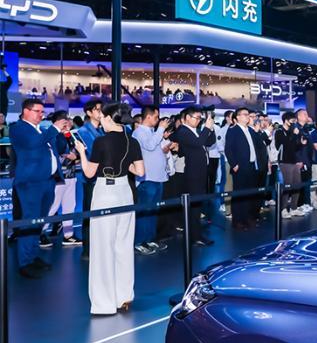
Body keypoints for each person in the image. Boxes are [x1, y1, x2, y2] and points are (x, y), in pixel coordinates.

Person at [74, 103, 144, 315]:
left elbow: (89, 173)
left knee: (103, 248)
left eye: (102, 117)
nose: (100, 120)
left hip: (105, 193)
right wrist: (124, 164)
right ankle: (124, 296)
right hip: (125, 192)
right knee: (123, 246)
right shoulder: (132, 141)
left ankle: (104, 303)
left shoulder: (101, 141)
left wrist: (81, 153)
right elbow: (140, 171)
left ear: (109, 118)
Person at [10, 100, 68, 278]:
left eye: (42, 112)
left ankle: (32, 255)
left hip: (47, 182)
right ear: (26, 111)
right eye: (37, 111)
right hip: (30, 184)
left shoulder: (41, 130)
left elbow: (58, 148)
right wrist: (54, 129)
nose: (41, 115)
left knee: (39, 222)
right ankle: (24, 262)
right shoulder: (18, 128)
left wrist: (61, 133)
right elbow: (33, 143)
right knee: (30, 222)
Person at [172, 107, 216, 246]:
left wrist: (211, 129)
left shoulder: (194, 130)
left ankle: (196, 235)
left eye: (200, 118)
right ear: (187, 117)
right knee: (194, 207)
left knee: (197, 205)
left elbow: (209, 142)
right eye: (196, 118)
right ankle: (194, 236)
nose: (198, 121)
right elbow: (198, 143)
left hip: (200, 171)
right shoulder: (183, 131)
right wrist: (206, 128)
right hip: (193, 172)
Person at [131, 105, 170, 255]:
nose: (158, 120)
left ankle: (150, 239)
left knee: (153, 211)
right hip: (147, 179)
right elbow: (149, 145)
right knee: (144, 211)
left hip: (157, 177)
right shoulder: (139, 132)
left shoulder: (152, 132)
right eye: (156, 117)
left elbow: (155, 149)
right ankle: (139, 242)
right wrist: (160, 130)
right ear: (148, 117)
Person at [42, 114, 81, 247]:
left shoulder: (72, 135)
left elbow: (79, 152)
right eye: (66, 120)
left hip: (71, 175)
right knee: (52, 206)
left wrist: (76, 156)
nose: (69, 122)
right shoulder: (53, 135)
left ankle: (68, 234)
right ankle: (41, 232)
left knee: (70, 206)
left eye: (69, 120)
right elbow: (55, 151)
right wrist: (68, 155)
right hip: (58, 177)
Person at [225, 107, 264, 229]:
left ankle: (247, 218)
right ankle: (238, 220)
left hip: (252, 166)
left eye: (248, 115)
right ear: (237, 117)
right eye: (245, 114)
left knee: (249, 194)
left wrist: (257, 130)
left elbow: (260, 144)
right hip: (240, 167)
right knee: (239, 195)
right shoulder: (233, 130)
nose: (248, 116)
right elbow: (228, 149)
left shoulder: (251, 130)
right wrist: (234, 164)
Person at [77, 99, 105, 259]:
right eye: (98, 110)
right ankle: (87, 249)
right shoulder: (83, 131)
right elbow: (95, 150)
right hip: (91, 178)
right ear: (89, 112)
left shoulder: (102, 131)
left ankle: (99, 247)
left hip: (103, 177)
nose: (101, 113)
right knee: (89, 215)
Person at [275, 112, 305, 218]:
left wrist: (301, 143)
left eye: (294, 120)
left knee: (297, 184)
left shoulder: (293, 131)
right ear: (286, 121)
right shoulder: (279, 132)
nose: (293, 122)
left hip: (294, 161)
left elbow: (294, 148)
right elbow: (284, 144)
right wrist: (294, 134)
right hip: (284, 161)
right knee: (288, 185)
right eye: (292, 120)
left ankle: (293, 208)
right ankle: (283, 209)